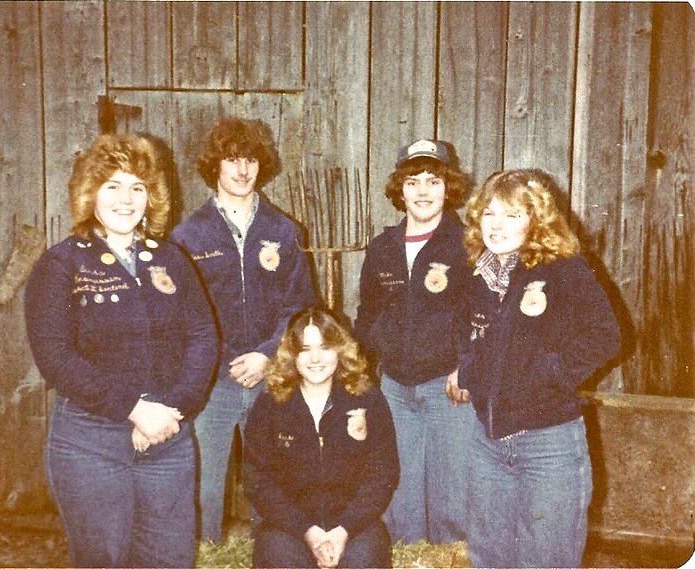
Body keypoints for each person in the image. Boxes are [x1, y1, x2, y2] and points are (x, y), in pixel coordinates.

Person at [24, 133, 218, 568]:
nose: (126, 199)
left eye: (137, 187)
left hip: (167, 437)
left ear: (151, 197)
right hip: (91, 443)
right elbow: (55, 358)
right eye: (112, 186)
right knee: (104, 559)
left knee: (170, 560)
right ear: (90, 193)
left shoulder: (172, 260)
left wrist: (172, 410)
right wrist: (134, 409)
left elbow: (203, 336)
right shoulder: (61, 264)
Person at [448, 168, 621, 567]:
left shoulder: (564, 268)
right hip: (488, 444)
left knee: (545, 559)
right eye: (489, 213)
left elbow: (606, 336)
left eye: (512, 215)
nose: (496, 225)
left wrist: (551, 374)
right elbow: (465, 331)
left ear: (536, 219)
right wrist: (469, 370)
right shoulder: (478, 274)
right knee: (489, 558)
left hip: (548, 445)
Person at [169, 116, 316, 542]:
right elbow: (182, 316)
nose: (242, 169)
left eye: (250, 159)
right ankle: (206, 553)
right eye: (232, 159)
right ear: (214, 165)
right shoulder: (187, 236)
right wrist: (227, 358)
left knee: (273, 476)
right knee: (204, 480)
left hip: (272, 378)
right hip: (212, 381)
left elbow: (300, 306)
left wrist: (267, 354)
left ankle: (272, 552)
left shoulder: (284, 231)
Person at [353, 139, 475, 544]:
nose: (423, 191)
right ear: (400, 190)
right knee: (399, 487)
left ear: (448, 188)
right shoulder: (382, 248)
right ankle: (407, 557)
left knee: (452, 493)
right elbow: (367, 316)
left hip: (448, 388)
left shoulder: (467, 245)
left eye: (433, 181)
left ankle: (449, 560)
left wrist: (467, 366)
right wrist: (359, 374)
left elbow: (483, 317)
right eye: (413, 182)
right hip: (395, 388)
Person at [244, 306, 399, 569]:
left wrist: (344, 530)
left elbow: (383, 475)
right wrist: (307, 531)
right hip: (291, 526)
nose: (315, 358)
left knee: (366, 559)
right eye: (305, 349)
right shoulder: (270, 403)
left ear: (340, 350)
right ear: (292, 353)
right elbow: (258, 480)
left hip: (352, 525)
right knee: (278, 558)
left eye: (325, 347)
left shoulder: (367, 399)